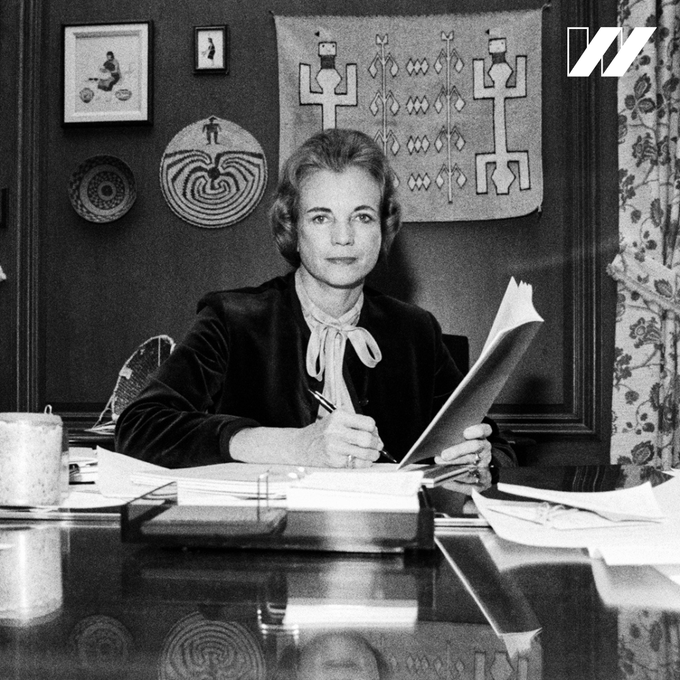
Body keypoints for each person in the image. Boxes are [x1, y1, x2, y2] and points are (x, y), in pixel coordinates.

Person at [115, 128, 516, 470]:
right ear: (292, 227)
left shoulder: (417, 331)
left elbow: (502, 446)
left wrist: (480, 455)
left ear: (383, 227)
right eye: (321, 217)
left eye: (362, 217)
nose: (343, 237)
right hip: (267, 548)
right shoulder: (231, 319)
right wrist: (291, 445)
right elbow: (139, 428)